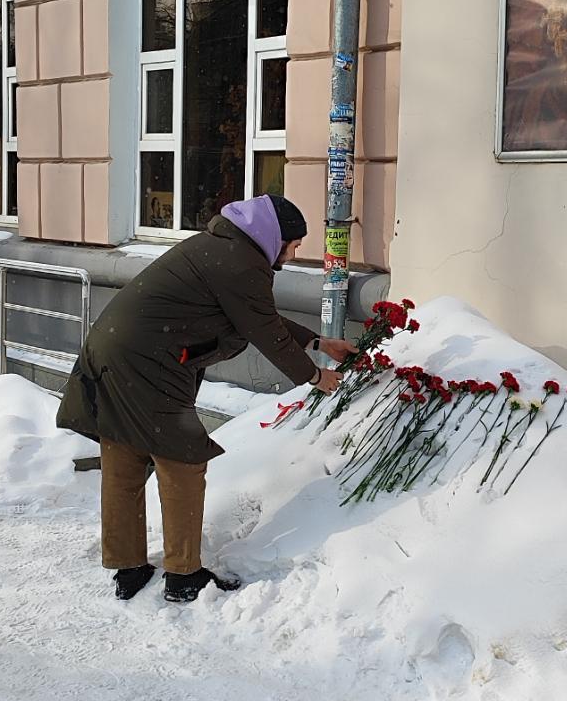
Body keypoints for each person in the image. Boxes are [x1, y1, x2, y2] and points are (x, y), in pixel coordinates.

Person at [56, 194, 356, 602]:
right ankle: (183, 575)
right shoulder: (241, 262)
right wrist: (315, 375)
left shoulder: (225, 247)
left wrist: (317, 340)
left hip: (116, 350)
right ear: (274, 237)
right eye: (294, 243)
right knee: (183, 460)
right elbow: (262, 328)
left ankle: (128, 568)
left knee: (124, 453)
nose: (295, 251)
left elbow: (250, 315)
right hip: (150, 361)